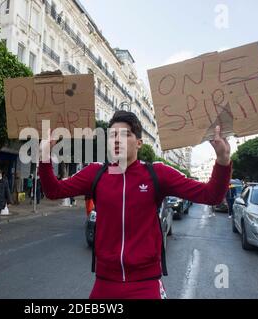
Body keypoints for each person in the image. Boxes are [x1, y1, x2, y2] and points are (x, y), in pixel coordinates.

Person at [38, 110, 231, 299]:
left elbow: (211, 195)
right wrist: (44, 157)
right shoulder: (95, 173)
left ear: (139, 143)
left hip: (145, 283)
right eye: (112, 135)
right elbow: (54, 191)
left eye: (125, 135)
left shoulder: (157, 173)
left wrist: (223, 160)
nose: (117, 139)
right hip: (105, 282)